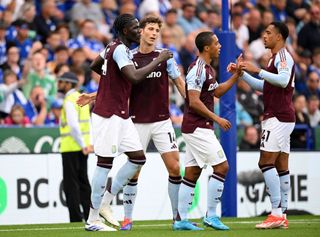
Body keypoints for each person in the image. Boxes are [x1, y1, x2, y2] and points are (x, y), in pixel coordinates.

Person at [78, 15, 185, 231]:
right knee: (104, 163)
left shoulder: (114, 47)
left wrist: (111, 80)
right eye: (137, 28)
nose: (141, 31)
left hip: (124, 114)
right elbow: (135, 78)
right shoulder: (119, 49)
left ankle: (106, 202)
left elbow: (96, 64)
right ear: (126, 31)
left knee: (138, 158)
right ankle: (93, 219)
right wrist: (159, 59)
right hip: (109, 114)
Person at [172, 31, 242, 231]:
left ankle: (181, 220)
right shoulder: (197, 69)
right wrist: (217, 118)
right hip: (197, 127)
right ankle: (211, 215)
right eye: (216, 43)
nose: (220, 46)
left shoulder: (208, 69)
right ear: (206, 48)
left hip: (199, 127)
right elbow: (193, 101)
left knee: (192, 173)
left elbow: (217, 91)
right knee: (222, 167)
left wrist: (236, 76)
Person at [229, 22, 295, 229]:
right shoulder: (274, 59)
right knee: (281, 166)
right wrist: (242, 74)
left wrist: (258, 69)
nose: (264, 36)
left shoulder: (283, 57)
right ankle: (282, 213)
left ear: (279, 37)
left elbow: (283, 81)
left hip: (277, 117)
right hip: (281, 116)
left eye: (268, 33)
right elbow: (263, 86)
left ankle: (275, 213)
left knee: (265, 163)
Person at [58, 72, 92, 222]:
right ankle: (89, 215)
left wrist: (82, 145)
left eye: (62, 82)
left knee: (71, 185)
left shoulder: (69, 100)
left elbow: (73, 126)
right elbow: (88, 123)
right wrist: (87, 144)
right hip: (82, 147)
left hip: (71, 147)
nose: (59, 84)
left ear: (69, 84)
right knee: (84, 183)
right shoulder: (81, 98)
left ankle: (76, 219)